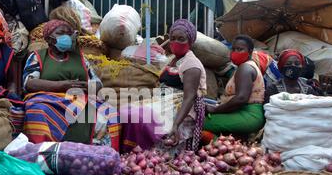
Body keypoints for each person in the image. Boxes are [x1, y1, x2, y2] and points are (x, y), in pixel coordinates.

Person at [23, 20, 119, 149]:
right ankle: (44, 152)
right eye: (61, 33)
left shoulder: (81, 58)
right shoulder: (38, 57)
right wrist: (61, 86)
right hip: (49, 100)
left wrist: (87, 86)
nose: (66, 37)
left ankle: (101, 155)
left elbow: (97, 83)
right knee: (38, 111)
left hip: (81, 98)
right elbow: (29, 83)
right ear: (49, 38)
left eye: (68, 33)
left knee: (111, 114)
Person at [121, 19, 206, 153]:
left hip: (180, 108)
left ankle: (150, 153)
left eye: (181, 39)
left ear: (190, 41)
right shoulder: (172, 60)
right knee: (127, 111)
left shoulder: (191, 64)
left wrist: (176, 124)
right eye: (173, 38)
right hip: (164, 101)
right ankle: (134, 153)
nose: (176, 42)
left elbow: (189, 98)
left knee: (139, 116)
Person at [204, 35, 265, 136]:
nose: (235, 52)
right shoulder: (244, 67)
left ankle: (216, 147)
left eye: (240, 49)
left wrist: (215, 109)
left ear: (249, 51)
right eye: (233, 49)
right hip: (242, 111)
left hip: (249, 115)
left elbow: (241, 98)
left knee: (200, 123)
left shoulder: (245, 68)